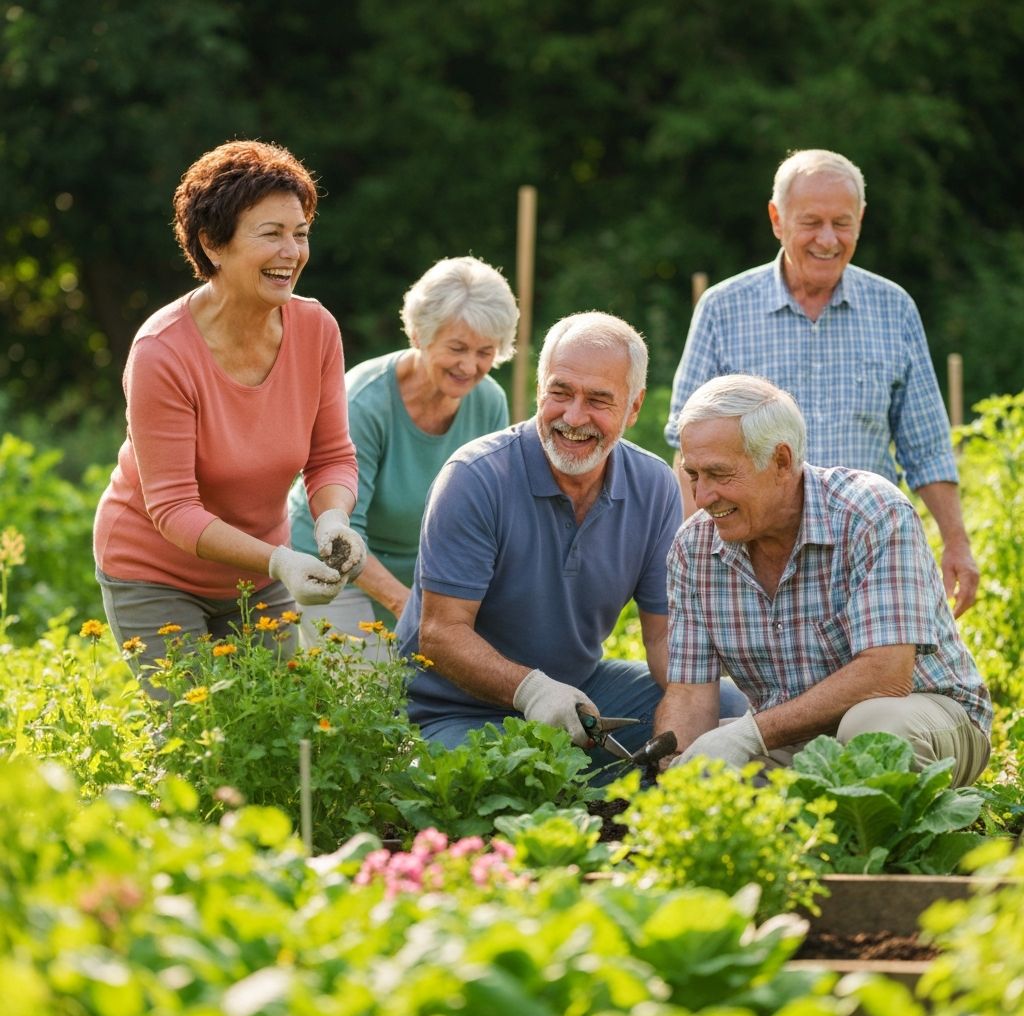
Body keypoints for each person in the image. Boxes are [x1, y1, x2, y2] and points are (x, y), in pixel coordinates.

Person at [397, 311, 748, 774]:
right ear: (540, 390)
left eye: (599, 400)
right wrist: (533, 691)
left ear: (634, 407)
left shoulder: (654, 485)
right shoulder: (476, 478)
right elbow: (441, 634)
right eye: (560, 392)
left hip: (580, 692)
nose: (574, 417)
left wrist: (684, 730)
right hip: (455, 709)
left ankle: (643, 786)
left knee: (727, 708)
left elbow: (664, 633)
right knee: (516, 778)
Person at [93, 139, 367, 692]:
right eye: (271, 234)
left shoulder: (317, 329)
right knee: (197, 737)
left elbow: (331, 455)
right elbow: (172, 508)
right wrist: (281, 563)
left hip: (258, 571)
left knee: (276, 732)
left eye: (301, 233)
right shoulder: (162, 353)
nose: (292, 251)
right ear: (213, 245)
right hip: (156, 573)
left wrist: (333, 518)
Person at [663, 148, 978, 617]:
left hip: (867, 554)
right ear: (777, 218)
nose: (828, 239)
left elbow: (927, 447)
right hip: (756, 561)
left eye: (842, 222)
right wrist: (687, 565)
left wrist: (956, 542)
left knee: (877, 684)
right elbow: (690, 454)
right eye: (811, 222)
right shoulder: (723, 309)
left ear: (861, 220)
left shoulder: (893, 309)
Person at [656, 374, 991, 787]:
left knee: (874, 732)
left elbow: (886, 675)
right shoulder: (694, 549)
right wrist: (676, 762)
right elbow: (690, 693)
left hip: (921, 712)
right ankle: (811, 820)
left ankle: (873, 836)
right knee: (704, 774)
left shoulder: (871, 513)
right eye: (693, 475)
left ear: (781, 461)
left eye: (719, 475)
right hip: (795, 735)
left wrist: (748, 734)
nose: (703, 497)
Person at [287, 256, 517, 650]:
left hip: (425, 572)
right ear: (420, 335)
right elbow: (345, 533)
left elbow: (490, 517)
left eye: (485, 352)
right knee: (370, 694)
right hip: (332, 564)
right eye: (457, 347)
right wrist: (411, 609)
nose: (470, 366)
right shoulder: (365, 402)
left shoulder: (489, 401)